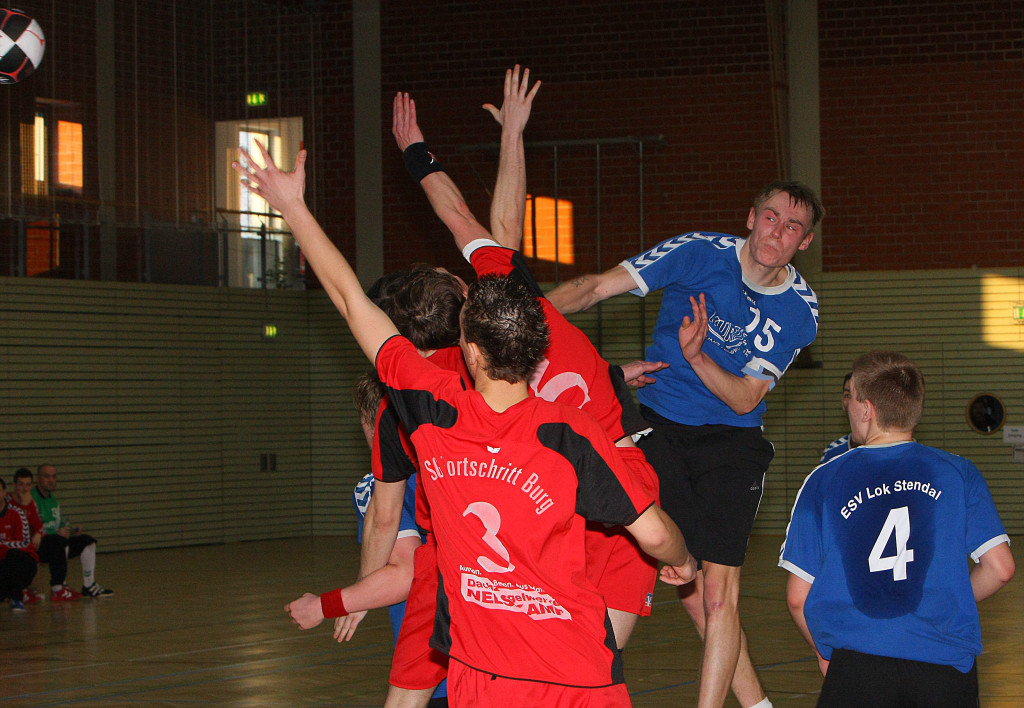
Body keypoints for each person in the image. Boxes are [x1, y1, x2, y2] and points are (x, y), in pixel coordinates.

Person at [233, 134, 696, 706]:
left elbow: (351, 300)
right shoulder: (571, 429)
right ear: (539, 330)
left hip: (486, 651)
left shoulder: (431, 406)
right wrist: (682, 559)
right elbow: (656, 534)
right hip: (602, 546)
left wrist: (292, 207)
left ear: (469, 347)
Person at [393, 64, 667, 654]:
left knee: (547, 660)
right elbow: (465, 216)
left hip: (548, 508)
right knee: (597, 666)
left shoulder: (453, 376)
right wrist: (423, 150)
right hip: (617, 485)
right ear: (466, 291)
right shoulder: (519, 301)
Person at [547, 179, 825, 708]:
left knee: (717, 598)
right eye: (770, 217)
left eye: (793, 227)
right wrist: (525, 318)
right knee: (688, 588)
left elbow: (745, 398)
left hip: (732, 443)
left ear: (804, 242)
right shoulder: (698, 251)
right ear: (751, 217)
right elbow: (595, 288)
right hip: (657, 427)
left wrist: (697, 357)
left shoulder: (799, 310)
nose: (777, 232)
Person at [779, 351, 1015, 708]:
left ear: (866, 409)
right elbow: (1001, 568)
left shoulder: (825, 480)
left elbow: (798, 598)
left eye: (851, 397)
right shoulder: (958, 473)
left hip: (858, 664)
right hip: (945, 666)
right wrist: (947, 598)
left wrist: (824, 653)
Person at [286, 370, 449, 707]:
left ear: (369, 422)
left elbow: (408, 574)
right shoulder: (458, 469)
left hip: (434, 658)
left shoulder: (377, 487)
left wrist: (326, 605)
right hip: (495, 654)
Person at [32, 464, 113, 599]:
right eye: (46, 476)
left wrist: (71, 530)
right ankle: (58, 586)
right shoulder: (32, 498)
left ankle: (89, 585)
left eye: (54, 477)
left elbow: (57, 524)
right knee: (60, 541)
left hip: (56, 541)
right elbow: (32, 526)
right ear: (38, 478)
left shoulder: (53, 499)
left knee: (87, 541)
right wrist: (56, 533)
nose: (51, 480)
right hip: (40, 545)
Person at [1, 476, 40, 612]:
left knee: (13, 555)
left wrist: (3, 545)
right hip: (3, 565)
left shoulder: (16, 513)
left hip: (23, 564)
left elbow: (24, 544)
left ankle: (17, 598)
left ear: (4, 492)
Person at [7, 469, 44, 604]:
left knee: (56, 544)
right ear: (14, 485)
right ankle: (18, 591)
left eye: (28, 485)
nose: (24, 489)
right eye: (21, 484)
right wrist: (22, 506)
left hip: (24, 543)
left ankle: (57, 587)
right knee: (18, 556)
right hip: (8, 543)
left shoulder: (30, 502)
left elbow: (38, 524)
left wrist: (38, 533)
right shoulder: (6, 501)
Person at [819, 372, 854, 464]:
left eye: (858, 396)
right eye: (848, 395)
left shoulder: (886, 449)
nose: (852, 402)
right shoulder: (833, 453)